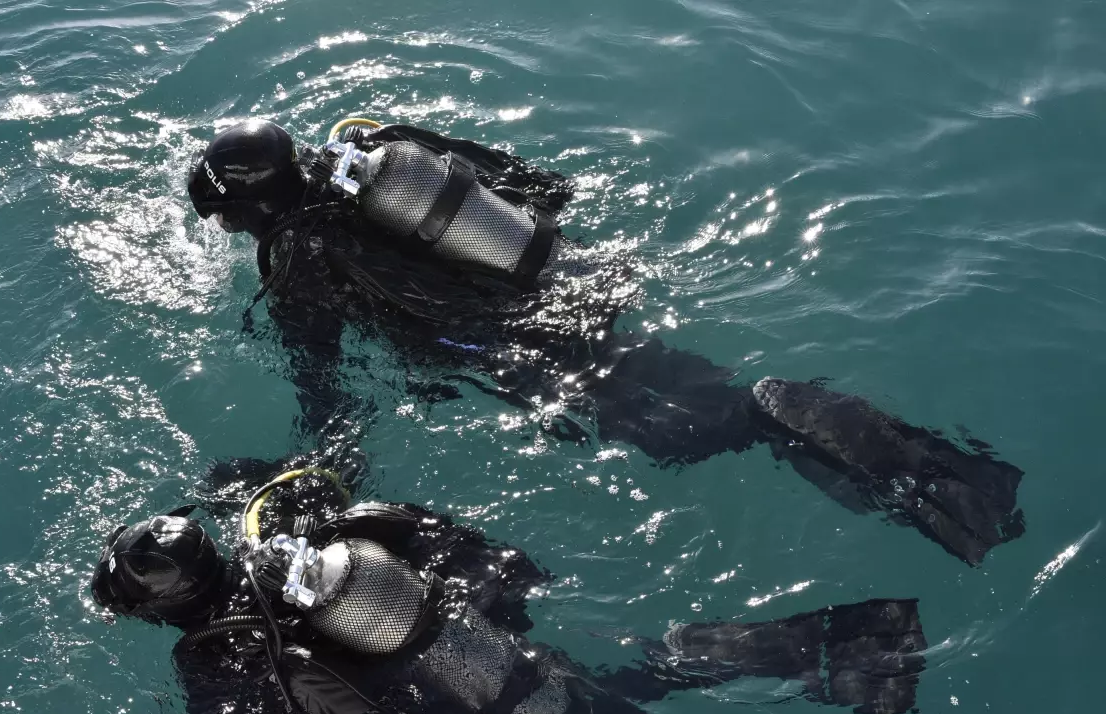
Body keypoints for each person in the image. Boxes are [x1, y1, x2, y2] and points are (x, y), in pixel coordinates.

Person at [184, 119, 1025, 565]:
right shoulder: (374, 150)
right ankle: (875, 451)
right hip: (563, 282)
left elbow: (321, 372)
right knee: (674, 385)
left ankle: (793, 423)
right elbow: (538, 185)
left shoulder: (295, 256)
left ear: (246, 209)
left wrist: (321, 457)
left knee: (679, 429)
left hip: (513, 343)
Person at [91, 456, 929, 714]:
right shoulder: (312, 546)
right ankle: (850, 643)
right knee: (633, 686)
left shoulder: (214, 668)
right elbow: (435, 539)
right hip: (499, 671)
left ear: (163, 609)